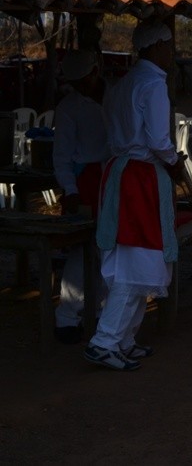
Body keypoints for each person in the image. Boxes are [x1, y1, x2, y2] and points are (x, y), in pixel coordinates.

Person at [84, 20, 185, 371]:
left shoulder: (122, 83)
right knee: (135, 261)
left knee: (133, 259)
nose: (171, 52)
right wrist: (174, 162)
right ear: (155, 47)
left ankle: (124, 339)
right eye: (169, 45)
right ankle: (105, 341)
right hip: (140, 178)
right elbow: (158, 140)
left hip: (120, 174)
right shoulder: (153, 84)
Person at [53, 49, 109, 344]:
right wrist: (71, 190)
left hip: (110, 176)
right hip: (84, 181)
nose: (81, 87)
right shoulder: (68, 108)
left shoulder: (114, 96)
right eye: (76, 83)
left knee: (107, 247)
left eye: (84, 81)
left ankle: (99, 310)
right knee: (81, 250)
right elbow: (61, 155)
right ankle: (67, 315)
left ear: (95, 72)